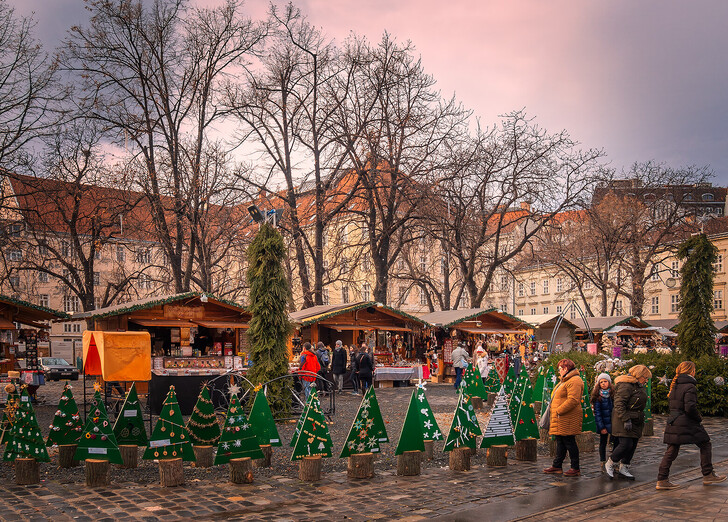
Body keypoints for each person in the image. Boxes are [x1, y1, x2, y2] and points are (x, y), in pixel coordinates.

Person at [656, 361, 726, 489]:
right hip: (687, 421)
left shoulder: (675, 385)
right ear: (691, 371)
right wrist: (698, 418)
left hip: (674, 421)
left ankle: (662, 479)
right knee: (705, 443)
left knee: (672, 450)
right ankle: (708, 474)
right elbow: (690, 407)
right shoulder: (689, 386)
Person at [606, 364, 652, 480]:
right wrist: (626, 419)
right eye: (645, 377)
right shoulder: (626, 386)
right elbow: (619, 404)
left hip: (636, 419)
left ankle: (624, 466)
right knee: (626, 444)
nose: (646, 380)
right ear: (639, 375)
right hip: (623, 419)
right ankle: (611, 462)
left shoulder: (638, 386)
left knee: (633, 445)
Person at [543, 358, 583, 477]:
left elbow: (573, 400)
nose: (559, 371)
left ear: (566, 368)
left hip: (567, 417)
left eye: (560, 369)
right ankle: (557, 465)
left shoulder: (574, 380)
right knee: (561, 441)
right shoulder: (565, 380)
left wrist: (559, 410)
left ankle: (575, 467)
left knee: (569, 442)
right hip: (561, 417)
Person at [591, 372, 615, 472]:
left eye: (605, 381)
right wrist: (601, 427)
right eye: (601, 382)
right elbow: (598, 414)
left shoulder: (613, 394)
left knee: (614, 442)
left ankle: (613, 460)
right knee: (603, 442)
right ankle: (602, 461)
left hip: (613, 423)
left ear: (609, 382)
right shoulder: (598, 397)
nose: (604, 383)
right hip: (604, 423)